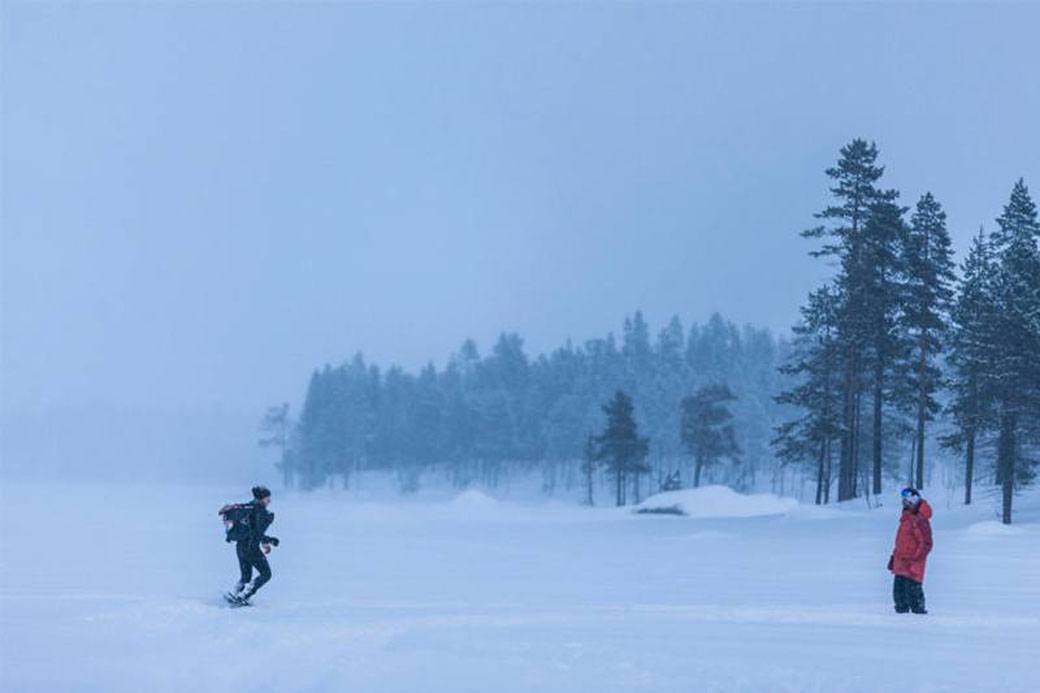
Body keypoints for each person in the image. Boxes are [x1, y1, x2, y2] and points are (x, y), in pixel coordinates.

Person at [221, 485, 279, 606]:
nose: (269, 501)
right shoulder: (260, 511)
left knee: (246, 576)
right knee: (266, 574)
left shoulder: (247, 507)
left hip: (240, 547)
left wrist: (264, 542)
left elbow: (252, 530)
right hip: (251, 548)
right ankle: (244, 596)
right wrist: (270, 540)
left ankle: (234, 594)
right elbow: (256, 532)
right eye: (267, 498)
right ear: (261, 498)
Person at [888, 487, 932, 614]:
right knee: (899, 597)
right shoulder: (906, 518)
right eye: (903, 500)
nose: (903, 502)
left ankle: (919, 621)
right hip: (900, 564)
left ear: (913, 500)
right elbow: (901, 542)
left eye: (906, 500)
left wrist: (915, 560)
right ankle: (900, 621)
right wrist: (894, 558)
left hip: (912, 566)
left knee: (914, 597)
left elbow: (926, 543)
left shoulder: (919, 520)